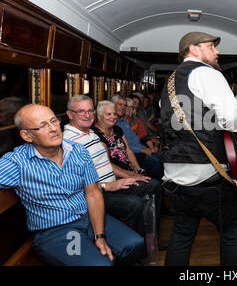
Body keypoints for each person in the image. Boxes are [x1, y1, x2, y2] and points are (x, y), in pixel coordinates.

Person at [0, 104, 144, 266]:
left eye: (54, 121)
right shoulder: (17, 162)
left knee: (134, 244)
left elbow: (93, 193)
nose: (53, 128)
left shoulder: (78, 151)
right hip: (58, 232)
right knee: (100, 265)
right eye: (43, 126)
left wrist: (99, 235)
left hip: (88, 218)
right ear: (27, 136)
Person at [159, 31, 237, 266]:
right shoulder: (206, 74)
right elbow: (233, 118)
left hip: (175, 177)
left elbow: (180, 119)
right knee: (231, 230)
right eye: (211, 46)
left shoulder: (169, 82)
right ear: (194, 50)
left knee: (181, 235)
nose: (217, 52)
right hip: (208, 175)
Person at [63, 95, 161, 236]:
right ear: (70, 114)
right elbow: (76, 182)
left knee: (152, 185)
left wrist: (131, 175)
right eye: (81, 111)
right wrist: (108, 185)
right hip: (97, 191)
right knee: (135, 204)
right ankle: (133, 245)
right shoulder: (69, 141)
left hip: (113, 183)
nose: (87, 115)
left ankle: (150, 239)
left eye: (90, 111)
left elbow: (110, 160)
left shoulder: (91, 133)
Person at [112, 94, 163, 180]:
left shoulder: (124, 121)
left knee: (158, 157)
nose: (126, 108)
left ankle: (160, 185)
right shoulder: (113, 122)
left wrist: (147, 148)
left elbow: (138, 138)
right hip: (128, 154)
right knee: (154, 161)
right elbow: (123, 145)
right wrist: (142, 149)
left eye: (128, 106)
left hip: (136, 150)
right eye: (121, 105)